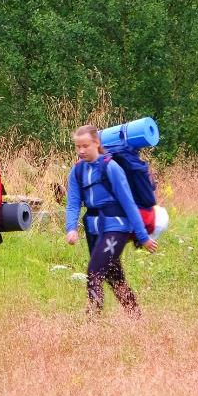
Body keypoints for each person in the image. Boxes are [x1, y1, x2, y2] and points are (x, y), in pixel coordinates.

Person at [65, 124, 158, 314]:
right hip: (93, 229)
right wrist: (71, 228)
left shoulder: (111, 167)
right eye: (78, 146)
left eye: (85, 146)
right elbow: (73, 202)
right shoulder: (76, 172)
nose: (81, 151)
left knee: (94, 272)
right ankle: (136, 317)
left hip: (117, 227)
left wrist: (143, 237)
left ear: (97, 143)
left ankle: (93, 321)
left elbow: (129, 203)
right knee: (115, 278)